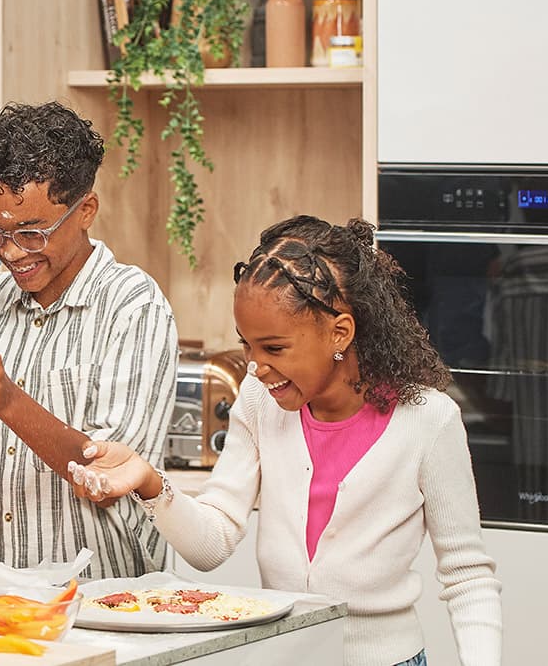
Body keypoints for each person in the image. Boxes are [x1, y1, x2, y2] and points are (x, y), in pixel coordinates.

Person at [68, 216, 503, 665]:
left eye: (273, 348)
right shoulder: (259, 401)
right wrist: (150, 483)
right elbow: (211, 544)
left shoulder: (428, 420)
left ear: (340, 333)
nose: (255, 366)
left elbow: (468, 576)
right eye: (247, 346)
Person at [0, 101, 178, 579]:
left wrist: (8, 400)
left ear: (85, 210)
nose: (9, 251)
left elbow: (108, 478)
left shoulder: (134, 306)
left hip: (98, 599)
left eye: (31, 232)